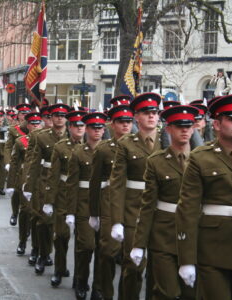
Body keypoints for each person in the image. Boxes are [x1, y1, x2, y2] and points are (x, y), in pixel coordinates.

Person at [131, 104, 199, 300]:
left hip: (194, 236)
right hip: (163, 235)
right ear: (168, 129)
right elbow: (148, 205)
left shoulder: (201, 160)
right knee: (167, 292)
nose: (185, 130)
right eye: (179, 126)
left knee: (190, 293)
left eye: (188, 126)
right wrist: (139, 243)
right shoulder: (156, 162)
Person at [176, 94, 232, 300]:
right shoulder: (201, 158)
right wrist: (187, 259)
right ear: (217, 124)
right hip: (212, 250)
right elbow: (188, 209)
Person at [109, 92, 162, 300]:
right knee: (133, 266)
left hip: (160, 212)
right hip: (134, 212)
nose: (151, 117)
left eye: (155, 112)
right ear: (136, 117)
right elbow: (117, 184)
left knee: (158, 269)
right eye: (146, 113)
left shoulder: (167, 140)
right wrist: (117, 221)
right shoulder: (126, 144)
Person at [89, 104, 134, 300]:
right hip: (107, 201)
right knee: (107, 251)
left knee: (130, 258)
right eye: (121, 122)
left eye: (129, 122)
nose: (126, 126)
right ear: (112, 124)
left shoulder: (138, 146)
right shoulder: (104, 149)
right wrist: (93, 212)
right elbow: (94, 182)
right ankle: (102, 290)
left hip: (132, 203)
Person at [42, 108, 87, 287]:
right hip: (64, 194)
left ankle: (80, 277)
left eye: (82, 125)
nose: (79, 129)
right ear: (69, 128)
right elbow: (52, 175)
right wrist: (48, 201)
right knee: (61, 235)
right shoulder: (60, 147)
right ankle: (59, 269)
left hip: (84, 196)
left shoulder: (95, 146)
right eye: (76, 126)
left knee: (84, 240)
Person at [65, 112, 107, 300]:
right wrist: (70, 212)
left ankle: (98, 286)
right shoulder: (78, 152)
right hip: (84, 205)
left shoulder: (109, 150)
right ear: (87, 130)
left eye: (100, 128)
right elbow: (72, 184)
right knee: (87, 246)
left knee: (103, 249)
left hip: (105, 204)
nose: (97, 131)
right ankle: (81, 280)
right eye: (93, 128)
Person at [24, 103, 69, 274]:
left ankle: (60, 262)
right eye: (55, 115)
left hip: (65, 183)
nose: (58, 118)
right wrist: (28, 184)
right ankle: (43, 254)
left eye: (62, 115)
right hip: (45, 181)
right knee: (44, 220)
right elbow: (32, 162)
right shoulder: (40, 136)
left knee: (63, 227)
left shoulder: (74, 136)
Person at [6, 112, 43, 256]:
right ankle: (22, 240)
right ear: (28, 126)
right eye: (33, 124)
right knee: (26, 211)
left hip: (41, 180)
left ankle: (37, 247)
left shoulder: (47, 141)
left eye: (38, 123)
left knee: (38, 214)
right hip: (25, 179)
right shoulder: (21, 141)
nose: (35, 126)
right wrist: (10, 183)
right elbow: (15, 163)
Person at [5, 103, 31, 227]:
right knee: (16, 191)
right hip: (18, 165)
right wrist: (8, 162)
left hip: (31, 166)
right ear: (18, 115)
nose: (25, 116)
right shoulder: (14, 130)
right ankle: (15, 212)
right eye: (23, 114)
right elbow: (8, 147)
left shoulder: (37, 129)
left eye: (27, 114)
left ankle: (27, 215)